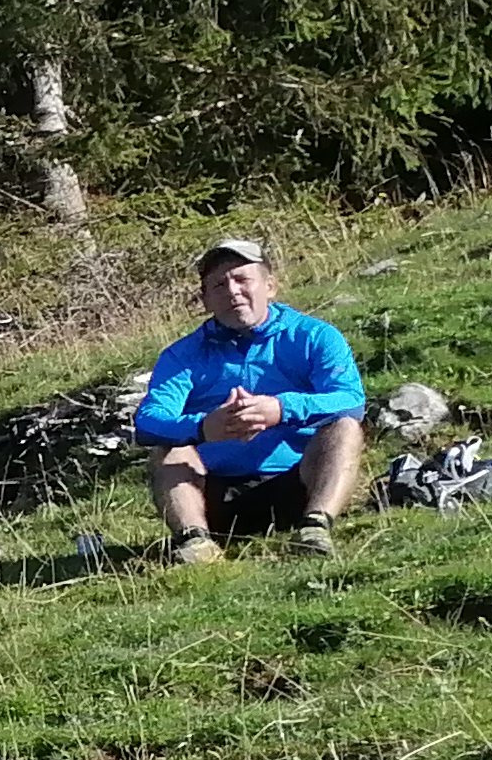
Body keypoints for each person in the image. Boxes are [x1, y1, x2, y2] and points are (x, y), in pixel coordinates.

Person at [136, 235, 367, 562]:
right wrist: (203, 427)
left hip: (298, 484)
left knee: (345, 428)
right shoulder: (181, 355)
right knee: (167, 447)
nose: (232, 291)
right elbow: (148, 422)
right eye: (219, 285)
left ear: (270, 286)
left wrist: (281, 409)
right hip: (212, 497)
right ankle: (196, 542)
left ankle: (315, 528)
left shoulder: (314, 336)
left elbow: (350, 400)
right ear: (205, 300)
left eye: (242, 279)